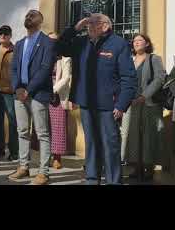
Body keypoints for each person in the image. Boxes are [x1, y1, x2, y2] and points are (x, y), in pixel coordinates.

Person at [55, 13, 137, 185]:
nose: (88, 26)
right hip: (86, 103)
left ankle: (113, 181)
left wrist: (121, 105)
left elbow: (129, 78)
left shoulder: (118, 44)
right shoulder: (81, 42)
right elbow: (59, 48)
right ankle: (92, 179)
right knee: (91, 144)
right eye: (87, 23)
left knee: (110, 145)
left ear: (105, 26)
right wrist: (75, 28)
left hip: (109, 105)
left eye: (92, 23)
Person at [7, 10, 56, 185]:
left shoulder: (47, 43)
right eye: (27, 15)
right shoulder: (19, 43)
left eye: (33, 16)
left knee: (42, 133)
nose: (29, 17)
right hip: (20, 94)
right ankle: (23, 167)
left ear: (40, 21)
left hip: (38, 93)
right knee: (22, 131)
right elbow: (13, 69)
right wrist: (18, 88)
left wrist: (29, 89)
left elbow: (45, 69)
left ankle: (43, 172)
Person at [121, 34, 165, 181]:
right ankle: (136, 166)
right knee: (132, 135)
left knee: (148, 135)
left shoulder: (154, 59)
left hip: (149, 102)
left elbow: (160, 78)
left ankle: (148, 167)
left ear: (146, 44)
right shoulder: (129, 60)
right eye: (134, 41)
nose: (136, 42)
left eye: (140, 40)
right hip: (131, 103)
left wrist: (144, 96)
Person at [0, 25, 19, 161]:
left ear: (10, 35)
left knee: (13, 121)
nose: (3, 36)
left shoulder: (16, 50)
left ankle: (14, 151)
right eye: (1, 33)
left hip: (10, 91)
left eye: (6, 34)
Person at [48, 31, 72, 169]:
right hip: (42, 93)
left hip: (57, 94)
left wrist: (53, 90)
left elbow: (66, 77)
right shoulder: (42, 55)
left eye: (55, 40)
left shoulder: (65, 58)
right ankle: (45, 156)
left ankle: (57, 158)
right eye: (49, 40)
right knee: (44, 126)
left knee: (57, 126)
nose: (52, 43)